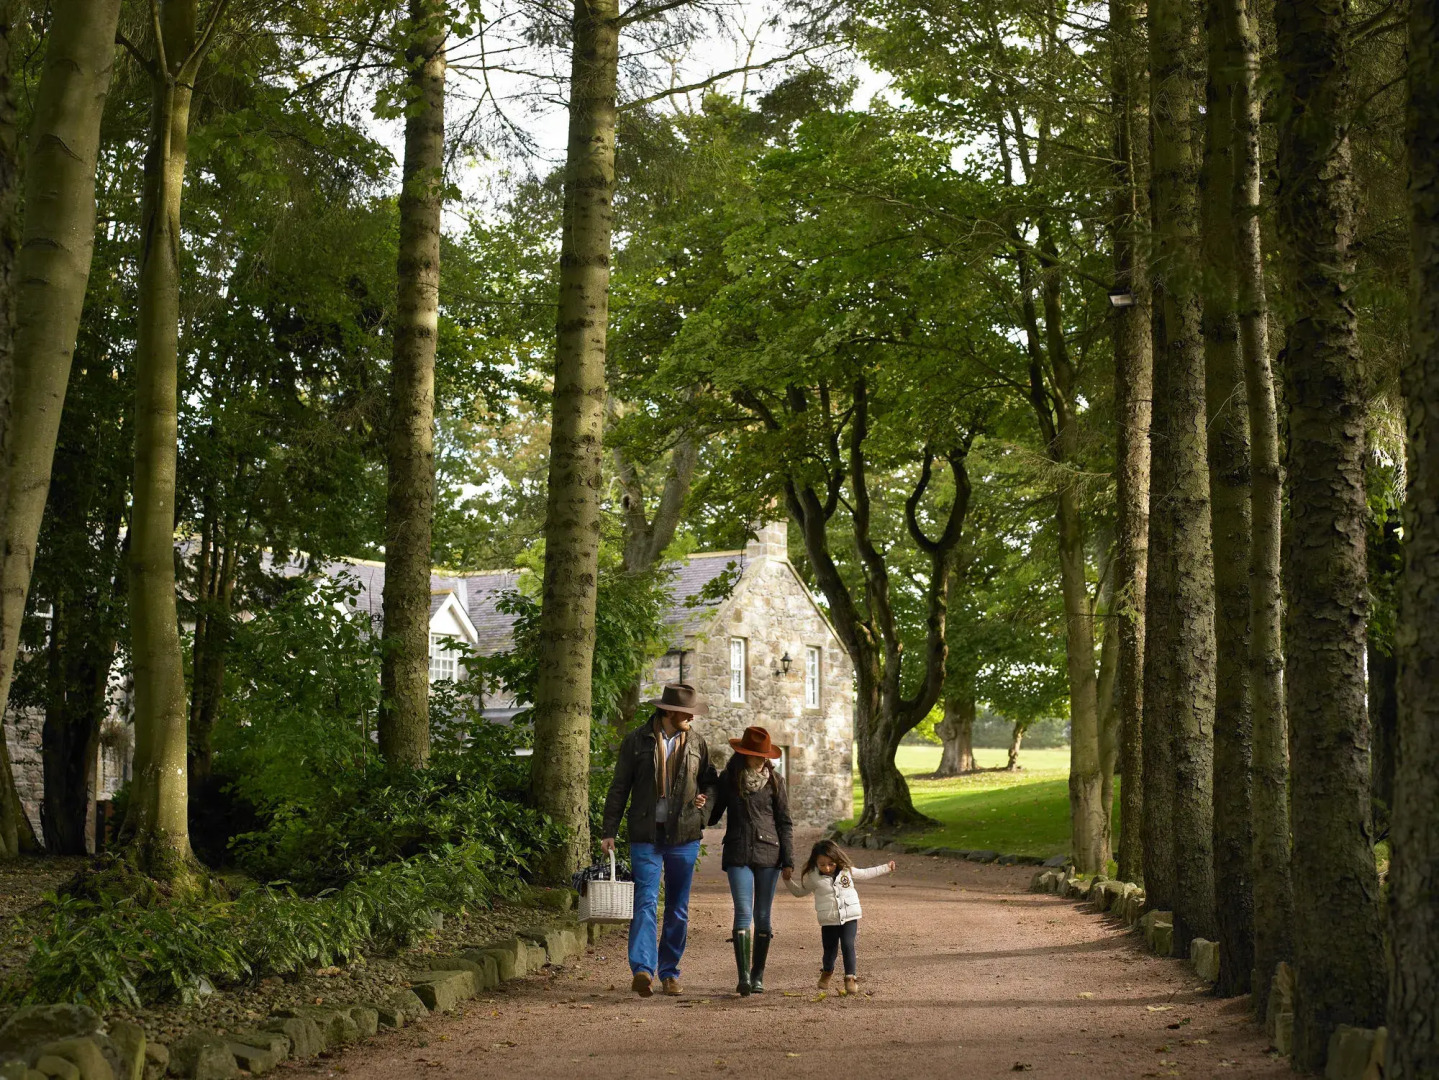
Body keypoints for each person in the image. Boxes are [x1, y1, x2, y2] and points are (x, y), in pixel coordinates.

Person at [600, 683, 719, 998]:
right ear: (669, 712)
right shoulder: (635, 741)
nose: (691, 719)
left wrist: (704, 807)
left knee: (678, 908)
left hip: (685, 836)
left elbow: (710, 781)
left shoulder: (697, 743)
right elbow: (619, 786)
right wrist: (608, 830)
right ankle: (642, 970)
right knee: (645, 903)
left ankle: (669, 973)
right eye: (686, 713)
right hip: (645, 834)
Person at [707, 725, 794, 996]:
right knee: (743, 912)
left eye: (763, 755)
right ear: (743, 753)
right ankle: (743, 976)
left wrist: (789, 860)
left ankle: (758, 975)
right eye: (755, 754)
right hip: (738, 852)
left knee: (764, 915)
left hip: (770, 853)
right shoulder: (729, 778)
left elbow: (785, 822)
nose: (760, 759)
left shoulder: (776, 782)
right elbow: (713, 815)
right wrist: (702, 797)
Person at [785, 838, 896, 996]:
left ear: (837, 860)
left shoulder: (846, 870)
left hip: (849, 916)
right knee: (830, 949)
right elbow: (799, 892)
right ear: (815, 863)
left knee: (847, 945)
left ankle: (850, 978)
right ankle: (827, 971)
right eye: (822, 864)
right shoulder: (813, 877)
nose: (827, 868)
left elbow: (865, 873)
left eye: (831, 864)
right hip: (829, 920)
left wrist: (886, 867)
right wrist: (787, 880)